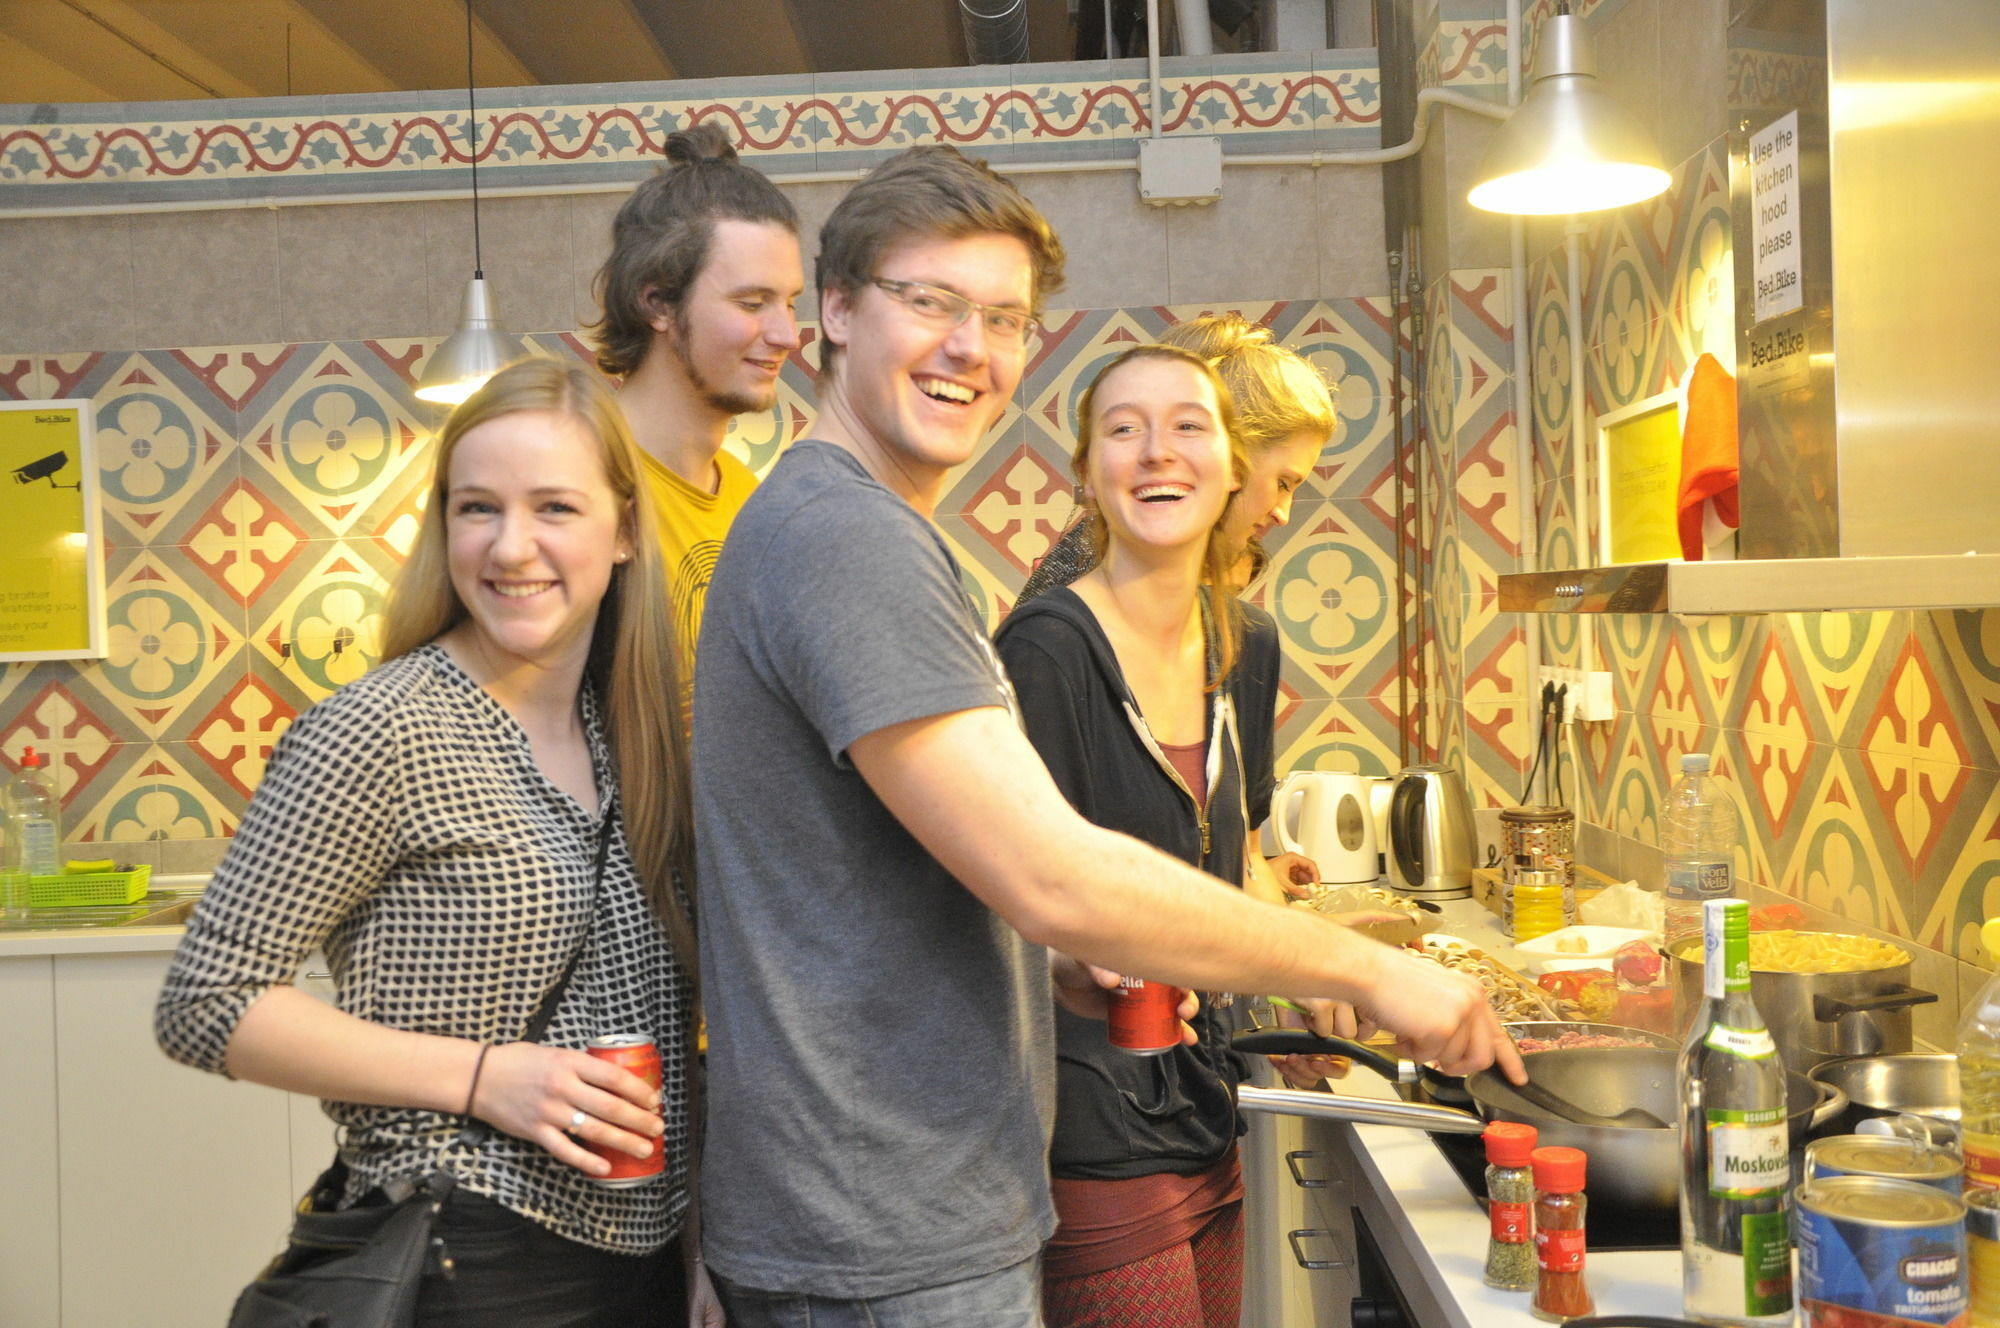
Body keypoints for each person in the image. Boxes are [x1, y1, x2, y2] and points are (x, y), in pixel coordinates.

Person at [691, 144, 1523, 1326]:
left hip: (894, 1208)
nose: (966, 347)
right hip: (883, 1227)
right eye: (926, 301)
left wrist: (1048, 967)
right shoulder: (850, 540)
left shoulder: (851, 525)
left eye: (1002, 317)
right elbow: (1051, 870)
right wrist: (1371, 967)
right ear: (834, 311)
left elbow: (903, 879)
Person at [155, 358, 716, 1327]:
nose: (511, 545)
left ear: (624, 529)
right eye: (476, 507)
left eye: (554, 507)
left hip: (645, 1268)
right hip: (466, 1259)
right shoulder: (386, 726)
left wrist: (702, 1250)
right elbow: (206, 1002)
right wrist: (485, 1074)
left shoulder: (636, 737)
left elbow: (674, 1025)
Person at [994, 342, 1266, 1325]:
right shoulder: (1045, 650)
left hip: (1204, 1092)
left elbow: (1237, 865)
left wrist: (1333, 985)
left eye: (1188, 424)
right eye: (1123, 428)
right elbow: (1015, 894)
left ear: (1231, 461)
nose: (1158, 451)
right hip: (1092, 1115)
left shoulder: (1245, 641)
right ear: (1084, 474)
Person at [589, 120, 803, 673]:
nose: (787, 335)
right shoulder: (580, 481)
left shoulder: (744, 494)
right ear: (658, 303)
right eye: (754, 303)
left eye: (791, 303)